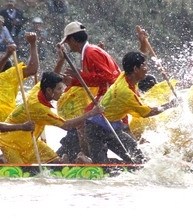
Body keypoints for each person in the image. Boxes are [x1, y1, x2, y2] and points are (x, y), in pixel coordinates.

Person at [55, 21, 146, 162]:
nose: (68, 45)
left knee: (86, 121)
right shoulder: (90, 52)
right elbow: (98, 79)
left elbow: (108, 77)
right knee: (90, 122)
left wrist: (79, 76)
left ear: (73, 40)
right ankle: (86, 156)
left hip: (111, 97)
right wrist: (74, 81)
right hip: (110, 95)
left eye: (68, 42)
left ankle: (83, 157)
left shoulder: (91, 52)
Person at [84, 51, 179, 164]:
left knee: (140, 160)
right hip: (96, 128)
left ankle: (112, 165)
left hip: (114, 128)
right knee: (100, 166)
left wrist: (143, 43)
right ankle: (85, 160)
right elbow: (147, 112)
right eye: (144, 66)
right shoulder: (126, 92)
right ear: (135, 69)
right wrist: (170, 105)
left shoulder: (124, 75)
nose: (147, 69)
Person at [0, 71, 104, 164]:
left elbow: (52, 73)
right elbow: (66, 125)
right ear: (49, 90)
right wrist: (92, 113)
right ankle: (3, 159)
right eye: (59, 89)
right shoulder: (40, 109)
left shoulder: (39, 89)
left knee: (58, 163)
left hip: (30, 141)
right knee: (21, 173)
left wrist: (61, 59)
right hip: (9, 144)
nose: (62, 92)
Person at [0, 32, 38, 122]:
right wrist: (33, 44)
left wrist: (33, 44)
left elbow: (33, 69)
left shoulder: (9, 75)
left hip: (6, 119)